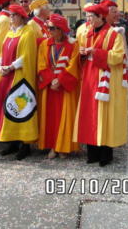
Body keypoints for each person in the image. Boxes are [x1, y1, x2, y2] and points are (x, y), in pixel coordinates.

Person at [73, 4, 128, 167]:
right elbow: (79, 53)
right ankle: (92, 152)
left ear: (100, 17)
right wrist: (82, 53)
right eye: (87, 16)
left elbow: (118, 56)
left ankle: (105, 154)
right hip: (89, 77)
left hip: (106, 79)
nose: (88, 20)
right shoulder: (86, 33)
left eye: (91, 16)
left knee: (105, 115)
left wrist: (94, 52)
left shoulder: (113, 34)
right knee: (90, 113)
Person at [0, 4, 38, 160]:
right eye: (10, 15)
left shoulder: (28, 32)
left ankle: (25, 145)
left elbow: (26, 56)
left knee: (21, 108)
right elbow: (2, 53)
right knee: (7, 109)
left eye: (14, 15)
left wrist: (10, 67)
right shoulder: (10, 33)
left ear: (21, 17)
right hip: (7, 76)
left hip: (20, 78)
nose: (11, 18)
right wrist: (0, 65)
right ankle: (12, 142)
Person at [37, 14, 79, 158]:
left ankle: (63, 147)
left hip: (63, 88)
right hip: (50, 88)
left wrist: (60, 80)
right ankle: (52, 146)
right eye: (48, 28)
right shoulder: (44, 44)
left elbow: (74, 66)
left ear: (61, 29)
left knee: (64, 117)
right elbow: (41, 64)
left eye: (53, 28)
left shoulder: (73, 45)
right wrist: (51, 80)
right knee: (50, 119)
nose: (49, 31)